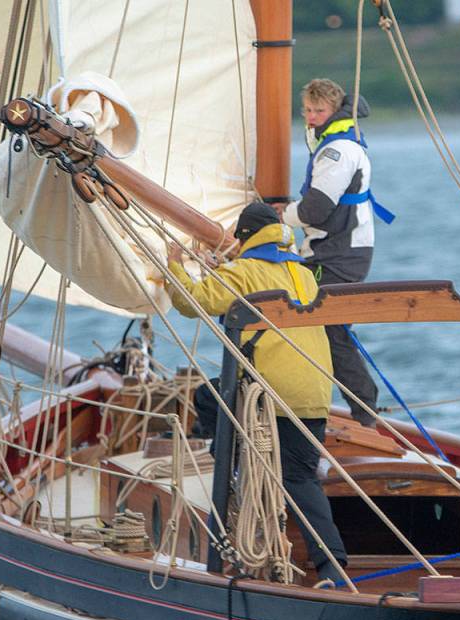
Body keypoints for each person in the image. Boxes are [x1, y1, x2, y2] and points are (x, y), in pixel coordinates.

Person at [166, 201, 348, 584]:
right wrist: (223, 270)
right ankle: (332, 566)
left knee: (208, 401)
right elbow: (246, 285)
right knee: (300, 478)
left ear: (245, 238)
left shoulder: (244, 271)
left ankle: (231, 481)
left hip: (271, 393)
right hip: (314, 394)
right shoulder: (303, 273)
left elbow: (193, 301)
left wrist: (174, 264)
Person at [276, 78, 394, 428]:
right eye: (307, 110)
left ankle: (364, 413)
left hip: (341, 253)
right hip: (330, 249)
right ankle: (324, 407)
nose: (312, 117)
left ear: (335, 110)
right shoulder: (330, 142)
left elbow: (315, 210)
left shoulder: (337, 150)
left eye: (319, 110)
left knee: (330, 330)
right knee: (317, 327)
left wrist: (279, 216)